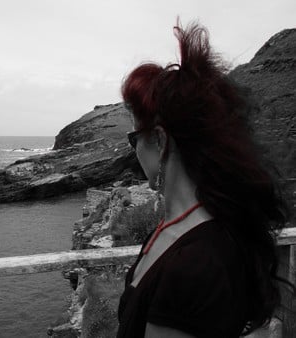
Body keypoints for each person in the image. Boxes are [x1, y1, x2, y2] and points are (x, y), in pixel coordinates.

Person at [116, 20, 295, 338]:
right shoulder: (177, 228)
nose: (133, 152)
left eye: (134, 139)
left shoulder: (194, 264)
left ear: (159, 141)